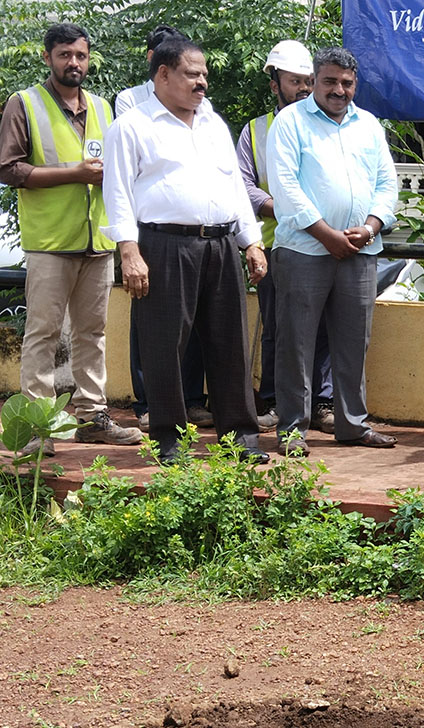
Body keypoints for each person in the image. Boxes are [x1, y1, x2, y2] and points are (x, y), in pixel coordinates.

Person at [102, 39, 270, 464]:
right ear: (162, 74)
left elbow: (233, 185)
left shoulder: (213, 124)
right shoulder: (133, 125)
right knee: (163, 345)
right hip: (163, 245)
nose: (202, 82)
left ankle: (241, 440)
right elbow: (117, 191)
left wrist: (250, 240)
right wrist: (129, 251)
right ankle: (169, 441)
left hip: (219, 244)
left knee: (229, 342)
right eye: (192, 74)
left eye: (205, 74)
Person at [0, 23, 142, 456]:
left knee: (92, 332)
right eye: (64, 55)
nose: (73, 63)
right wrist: (75, 174)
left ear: (88, 58)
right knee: (42, 333)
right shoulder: (24, 104)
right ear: (47, 58)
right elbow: (9, 169)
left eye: (80, 55)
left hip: (97, 240)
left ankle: (92, 415)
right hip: (49, 241)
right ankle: (37, 427)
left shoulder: (102, 107)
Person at [266, 47, 398, 457]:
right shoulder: (291, 122)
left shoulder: (369, 125)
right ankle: (292, 430)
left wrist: (372, 225)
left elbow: (387, 183)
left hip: (360, 250)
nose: (339, 90)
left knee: (353, 342)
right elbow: (285, 185)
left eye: (346, 83)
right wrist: (326, 235)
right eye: (330, 81)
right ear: (313, 82)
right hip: (305, 249)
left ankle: (353, 425)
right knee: (297, 344)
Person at [115, 24, 213, 432]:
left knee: (192, 325)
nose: (198, 81)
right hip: (152, 231)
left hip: (201, 236)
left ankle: (190, 400)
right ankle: (150, 405)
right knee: (153, 327)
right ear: (157, 65)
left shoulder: (202, 110)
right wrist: (129, 247)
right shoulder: (130, 105)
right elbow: (128, 175)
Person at [237, 39, 336, 434]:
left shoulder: (329, 124)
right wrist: (285, 208)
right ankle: (279, 401)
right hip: (278, 245)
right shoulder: (257, 130)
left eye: (308, 81)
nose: (303, 89)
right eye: (294, 81)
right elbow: (242, 185)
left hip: (323, 244)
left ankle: (324, 403)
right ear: (274, 82)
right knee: (279, 328)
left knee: (324, 329)